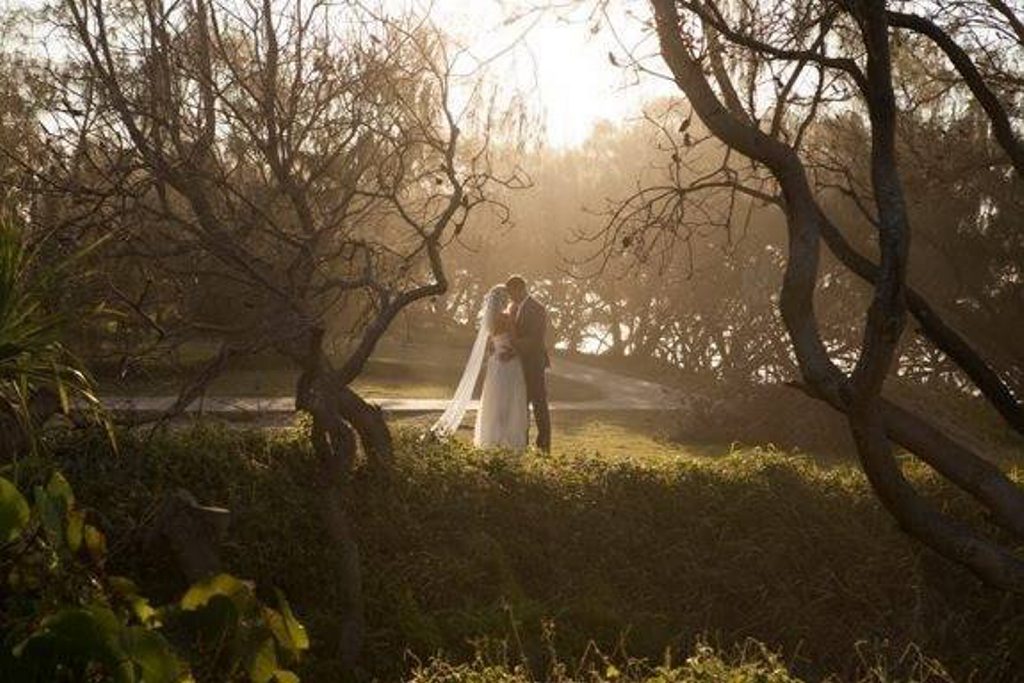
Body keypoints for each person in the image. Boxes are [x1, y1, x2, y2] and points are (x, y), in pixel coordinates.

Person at [431, 284, 529, 451]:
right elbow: (514, 340)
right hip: (509, 363)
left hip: (495, 364)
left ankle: (491, 437)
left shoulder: (490, 321)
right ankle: (508, 440)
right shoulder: (506, 318)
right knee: (509, 401)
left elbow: (492, 344)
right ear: (503, 299)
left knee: (494, 401)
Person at [503, 275, 551, 453]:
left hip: (534, 365)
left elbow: (535, 339)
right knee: (520, 406)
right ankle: (521, 443)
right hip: (518, 366)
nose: (510, 297)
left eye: (511, 293)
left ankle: (544, 447)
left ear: (520, 289)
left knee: (539, 406)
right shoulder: (514, 308)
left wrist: (514, 350)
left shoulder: (537, 308)